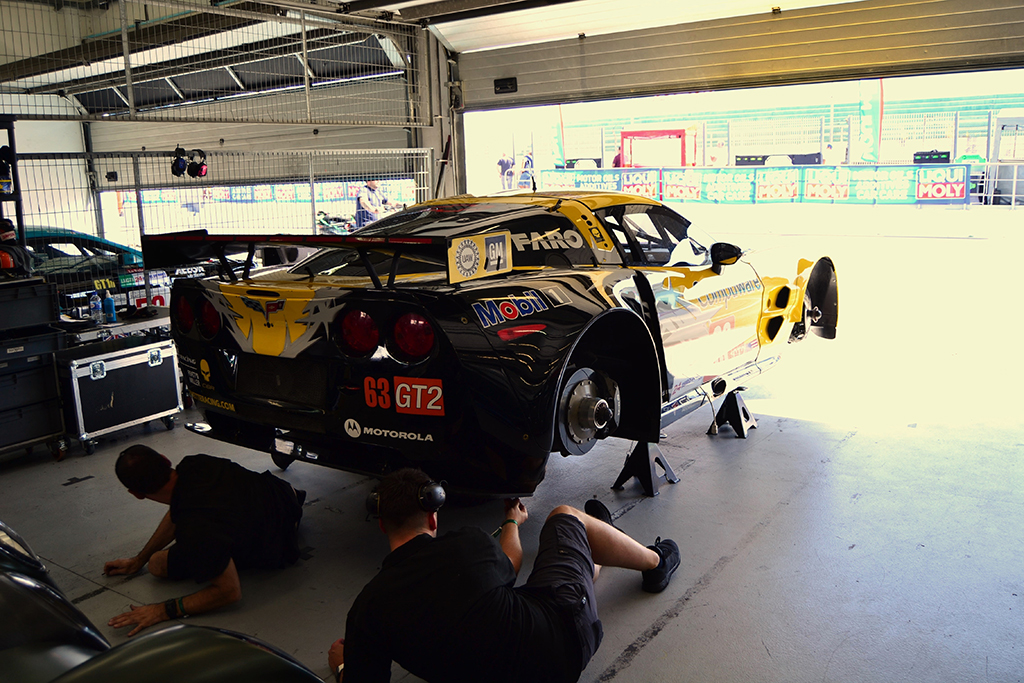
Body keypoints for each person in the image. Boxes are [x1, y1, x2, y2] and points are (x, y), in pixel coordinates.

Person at [329, 468, 680, 683]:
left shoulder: (366, 608)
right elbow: (511, 562)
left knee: (548, 581)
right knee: (565, 516)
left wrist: (344, 667)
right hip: (567, 646)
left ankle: (595, 541)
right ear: (433, 516)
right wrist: (513, 520)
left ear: (382, 525)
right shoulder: (466, 544)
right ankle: (656, 562)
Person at [103, 445, 305, 636]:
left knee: (157, 564)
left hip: (281, 538)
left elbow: (230, 592)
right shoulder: (195, 463)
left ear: (136, 494)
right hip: (286, 495)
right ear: (165, 460)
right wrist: (139, 559)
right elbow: (180, 507)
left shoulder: (195, 530)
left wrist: (162, 611)